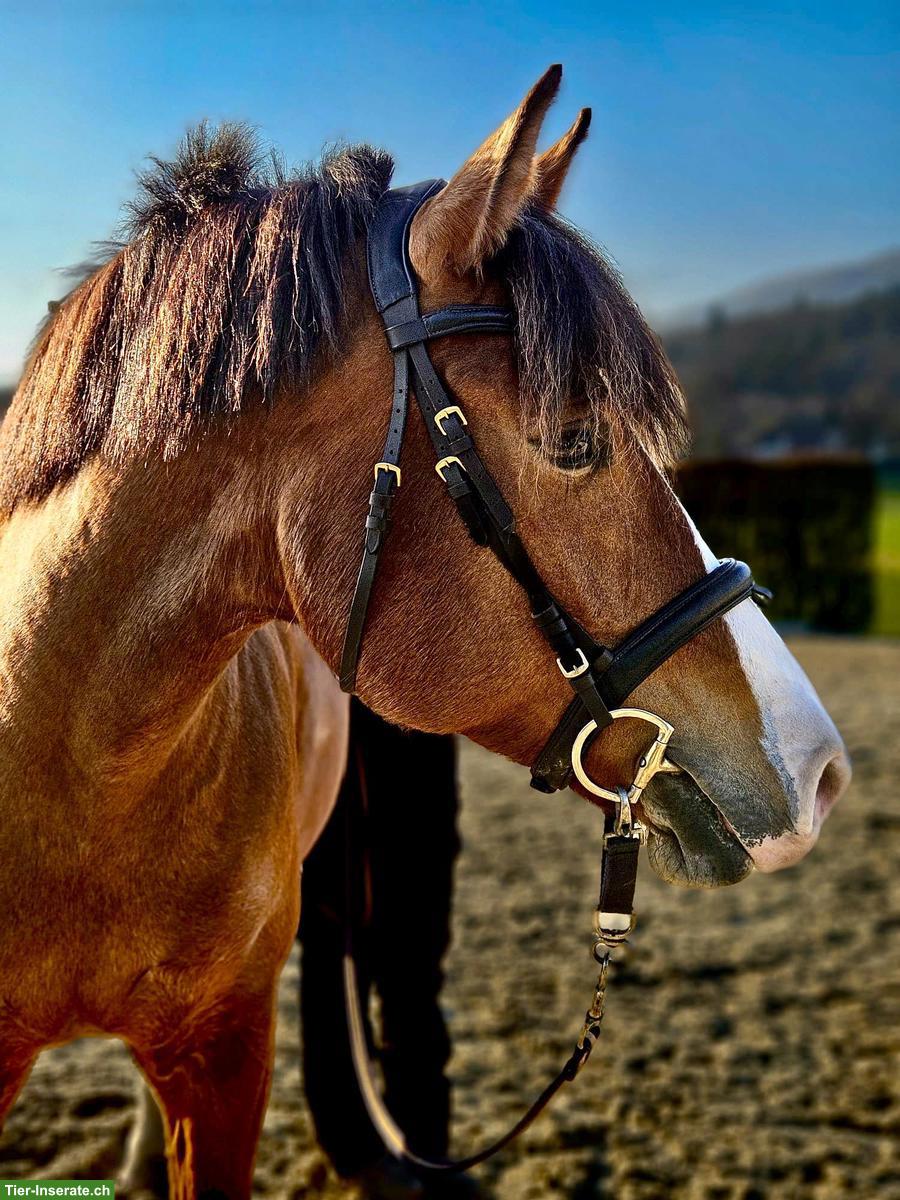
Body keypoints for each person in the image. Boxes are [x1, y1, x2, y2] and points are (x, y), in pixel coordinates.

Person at [299, 698, 473, 1199]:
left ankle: (428, 1148)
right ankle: (354, 1155)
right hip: (339, 827)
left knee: (417, 987)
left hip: (423, 815)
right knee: (335, 991)